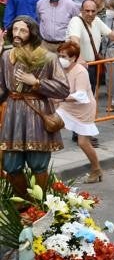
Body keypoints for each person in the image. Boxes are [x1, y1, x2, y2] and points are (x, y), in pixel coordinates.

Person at [0, 16, 70, 199]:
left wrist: (37, 82)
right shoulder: (7, 56)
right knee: (11, 165)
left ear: (32, 33)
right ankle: (24, 202)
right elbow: (2, 87)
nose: (17, 34)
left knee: (38, 163)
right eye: (15, 29)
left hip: (36, 115)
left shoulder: (48, 57)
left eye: (22, 30)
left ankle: (41, 205)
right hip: (13, 115)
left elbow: (63, 89)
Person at [53, 41, 102, 183]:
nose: (61, 58)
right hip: (66, 106)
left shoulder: (80, 71)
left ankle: (96, 169)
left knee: (83, 142)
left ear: (73, 58)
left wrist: (59, 98)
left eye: (64, 56)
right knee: (51, 125)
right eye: (59, 55)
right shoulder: (61, 69)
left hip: (83, 109)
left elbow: (81, 95)